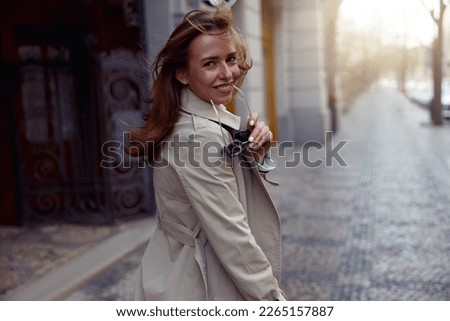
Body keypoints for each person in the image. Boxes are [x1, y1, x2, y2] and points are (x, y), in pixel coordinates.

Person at [128, 3, 285, 301]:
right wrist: (272, 301)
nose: (228, 73)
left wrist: (258, 154)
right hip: (201, 281)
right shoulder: (200, 135)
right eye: (210, 64)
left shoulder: (198, 118)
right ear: (183, 74)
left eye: (230, 59)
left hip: (175, 270)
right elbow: (231, 235)